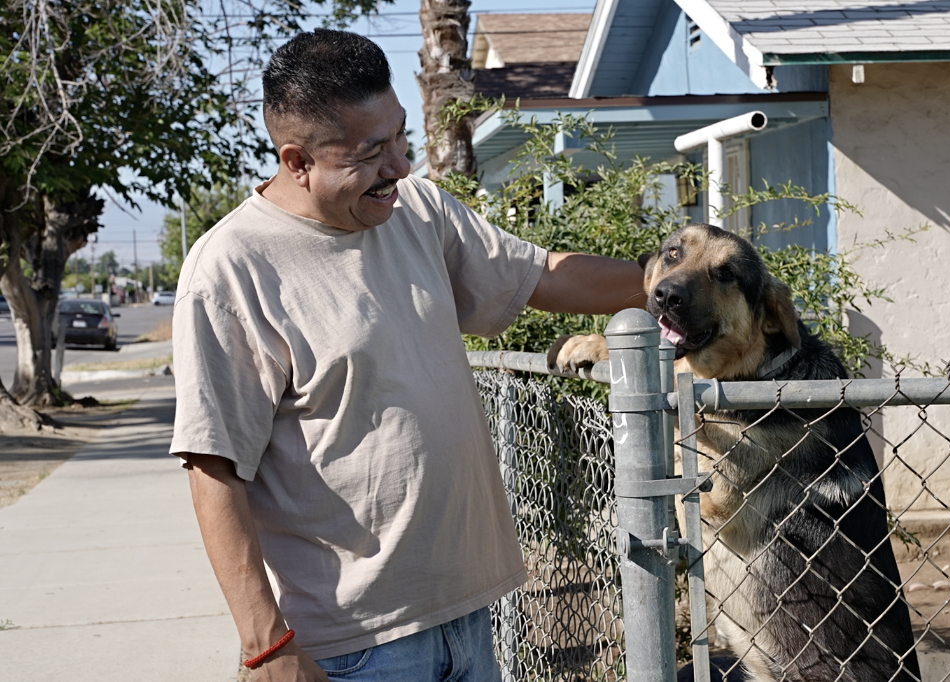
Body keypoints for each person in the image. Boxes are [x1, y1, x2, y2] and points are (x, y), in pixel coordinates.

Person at [170, 29, 643, 681]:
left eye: (400, 139)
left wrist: (677, 276)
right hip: (356, 646)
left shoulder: (417, 210)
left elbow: (546, 277)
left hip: (470, 613)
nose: (399, 167)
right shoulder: (231, 269)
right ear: (297, 160)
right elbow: (214, 467)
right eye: (371, 153)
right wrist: (265, 647)